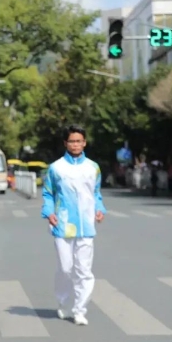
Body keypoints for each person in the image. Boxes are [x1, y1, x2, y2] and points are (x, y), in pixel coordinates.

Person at [41, 124, 106, 326]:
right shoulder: (56, 168)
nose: (75, 144)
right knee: (66, 267)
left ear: (84, 143)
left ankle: (79, 310)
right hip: (63, 225)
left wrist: (99, 209)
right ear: (65, 143)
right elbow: (48, 193)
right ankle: (62, 300)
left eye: (79, 141)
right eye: (72, 141)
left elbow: (96, 193)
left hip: (86, 226)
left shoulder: (93, 167)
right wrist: (48, 212)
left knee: (84, 270)